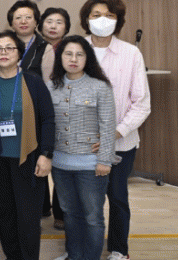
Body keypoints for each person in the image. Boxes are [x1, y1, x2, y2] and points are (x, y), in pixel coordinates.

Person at [80, 0, 150, 260]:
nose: (102, 20)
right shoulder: (75, 50)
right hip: (82, 143)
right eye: (96, 15)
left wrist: (115, 133)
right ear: (87, 19)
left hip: (121, 142)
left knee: (118, 197)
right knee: (85, 201)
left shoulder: (131, 54)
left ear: (118, 20)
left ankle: (119, 250)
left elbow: (142, 103)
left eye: (109, 16)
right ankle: (83, 249)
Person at [0, 30, 55, 260]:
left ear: (19, 53)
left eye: (9, 48)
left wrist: (46, 154)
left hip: (29, 159)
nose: (4, 52)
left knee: (28, 217)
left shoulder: (33, 81)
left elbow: (48, 119)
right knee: (5, 214)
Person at [48, 35, 119, 260]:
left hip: (91, 165)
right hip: (60, 165)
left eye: (79, 54)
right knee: (70, 214)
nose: (73, 59)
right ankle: (74, 255)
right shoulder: (51, 87)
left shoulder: (100, 87)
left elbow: (108, 125)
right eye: (68, 54)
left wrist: (104, 160)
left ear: (87, 58)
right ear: (60, 58)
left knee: (92, 217)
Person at [37, 6, 71, 228]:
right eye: (49, 21)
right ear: (41, 25)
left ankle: (61, 212)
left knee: (62, 163)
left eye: (59, 22)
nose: (53, 26)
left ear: (66, 27)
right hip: (39, 111)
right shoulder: (33, 48)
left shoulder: (72, 49)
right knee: (39, 157)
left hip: (64, 110)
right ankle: (42, 206)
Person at [7, 0, 48, 78]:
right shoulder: (2, 44)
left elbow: (47, 82)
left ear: (36, 22)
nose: (23, 21)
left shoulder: (45, 47)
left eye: (28, 17)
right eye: (18, 18)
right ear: (11, 24)